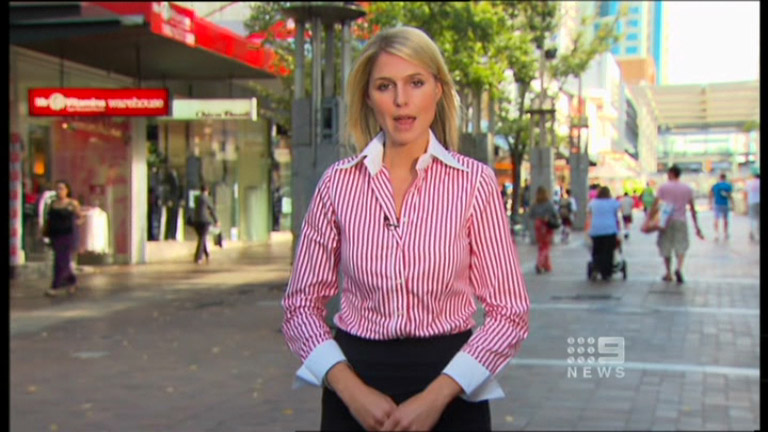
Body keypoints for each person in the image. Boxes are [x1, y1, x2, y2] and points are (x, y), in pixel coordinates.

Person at [281, 26, 530, 432]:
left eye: (416, 82)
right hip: (355, 388)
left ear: (438, 89)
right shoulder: (337, 184)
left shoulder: (475, 183)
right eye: (385, 86)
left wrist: (437, 397)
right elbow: (300, 307)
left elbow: (510, 312)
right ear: (368, 96)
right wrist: (351, 390)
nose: (401, 100)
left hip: (453, 386)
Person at [649, 165, 704, 284]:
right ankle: (679, 268)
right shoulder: (687, 188)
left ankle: (668, 272)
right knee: (681, 245)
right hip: (681, 220)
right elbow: (692, 208)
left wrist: (650, 218)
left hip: (665, 221)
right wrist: (696, 226)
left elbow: (656, 203)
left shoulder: (664, 187)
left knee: (665, 245)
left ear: (671, 173)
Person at [42, 180, 83, 297]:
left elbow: (80, 217)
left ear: (67, 190)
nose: (59, 191)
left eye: (61, 188)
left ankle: (55, 285)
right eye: (57, 189)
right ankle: (72, 281)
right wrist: (44, 232)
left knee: (61, 260)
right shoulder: (52, 204)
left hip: (68, 234)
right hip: (56, 234)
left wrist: (77, 223)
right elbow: (48, 219)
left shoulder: (72, 203)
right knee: (61, 260)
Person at [586, 187, 622, 280]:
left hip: (596, 230)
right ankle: (606, 273)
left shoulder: (593, 202)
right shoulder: (613, 202)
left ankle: (596, 268)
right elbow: (618, 209)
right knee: (609, 251)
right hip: (610, 229)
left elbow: (589, 213)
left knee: (597, 250)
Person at [529, 186, 560, 273]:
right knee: (546, 246)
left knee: (541, 245)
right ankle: (540, 264)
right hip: (546, 225)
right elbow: (555, 214)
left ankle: (547, 265)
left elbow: (530, 215)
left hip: (538, 225)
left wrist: (538, 217)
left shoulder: (534, 204)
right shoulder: (548, 204)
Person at [192, 184, 218, 264]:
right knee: (202, 238)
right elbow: (211, 210)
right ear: (207, 191)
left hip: (196, 221)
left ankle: (206, 254)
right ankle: (198, 257)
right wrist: (216, 220)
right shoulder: (206, 198)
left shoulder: (196, 198)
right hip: (204, 221)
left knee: (202, 238)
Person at [709, 173, 733, 240]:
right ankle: (725, 232)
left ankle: (716, 234)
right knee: (725, 219)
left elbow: (711, 194)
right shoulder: (728, 186)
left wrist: (710, 203)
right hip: (725, 204)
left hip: (717, 204)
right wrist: (732, 203)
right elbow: (730, 195)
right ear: (725, 178)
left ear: (720, 178)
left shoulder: (715, 185)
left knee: (716, 219)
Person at [745, 169, 760, 242]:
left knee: (753, 218)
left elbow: (746, 193)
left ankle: (753, 233)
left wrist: (746, 203)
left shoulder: (750, 183)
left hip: (752, 202)